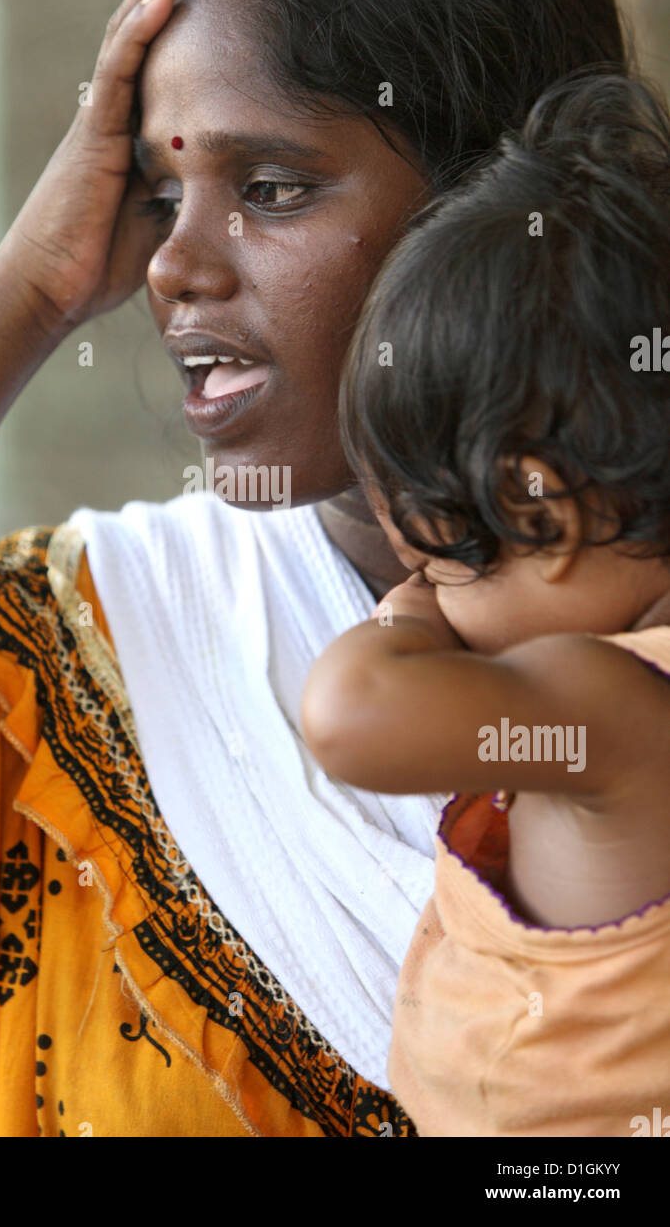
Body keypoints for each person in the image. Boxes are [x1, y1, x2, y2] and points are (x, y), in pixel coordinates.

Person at [0, 0, 659, 1137]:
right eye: (156, 198)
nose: (171, 265)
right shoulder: (82, 644)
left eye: (267, 188)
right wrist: (26, 290)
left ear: (492, 216)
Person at [301, 70, 670, 1137]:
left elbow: (348, 717)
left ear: (532, 506)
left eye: (436, 555)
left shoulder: (603, 700)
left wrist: (407, 614)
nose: (428, 596)